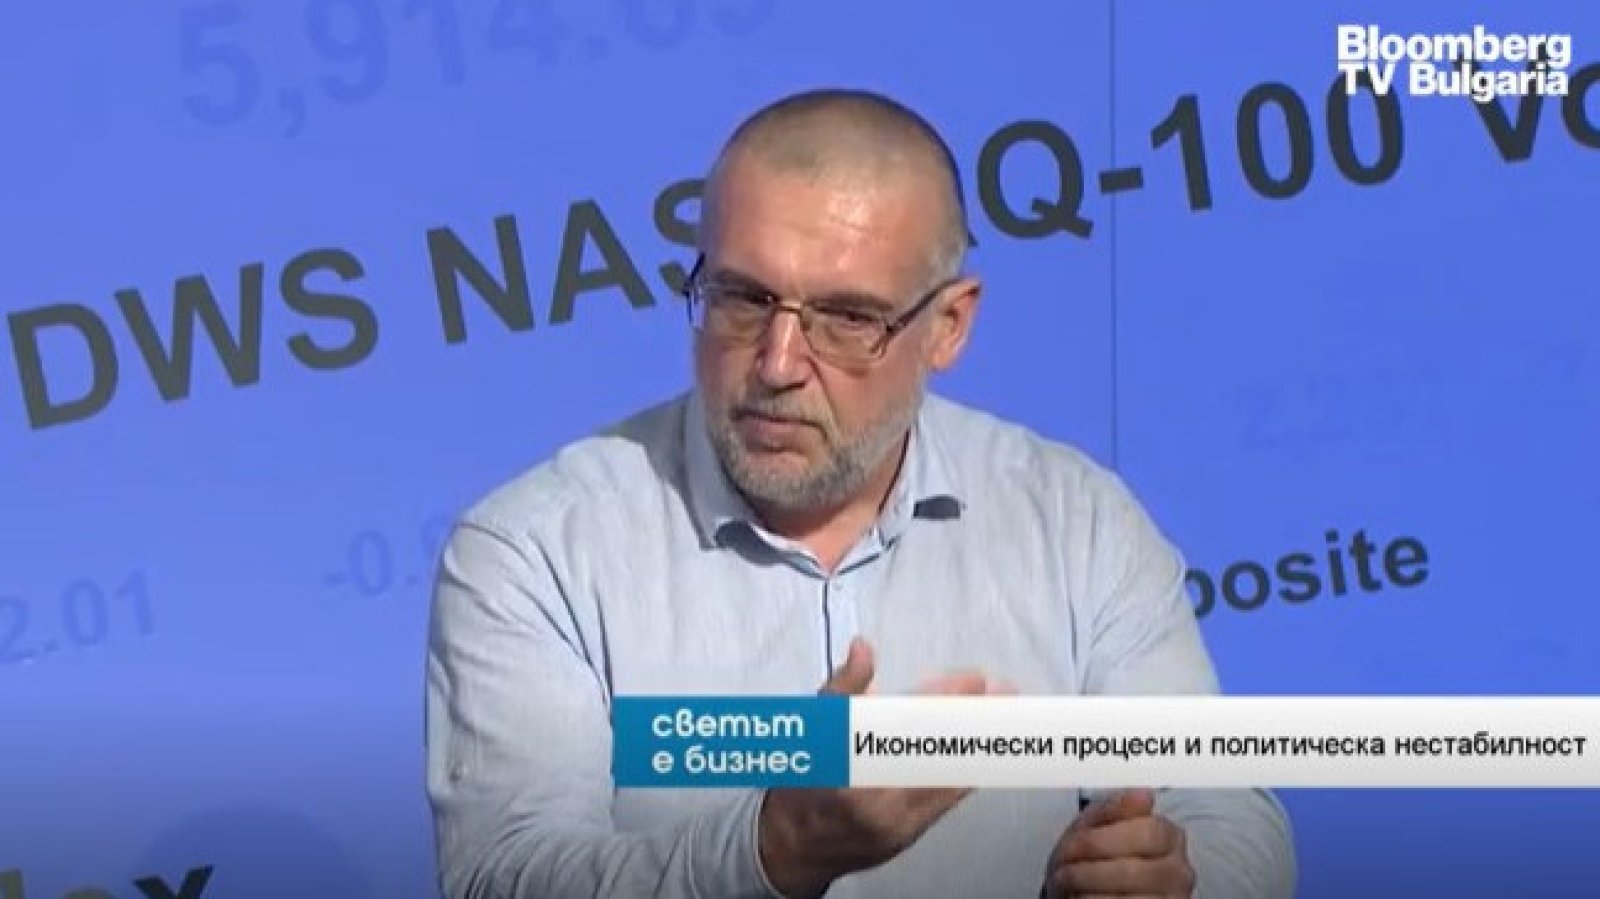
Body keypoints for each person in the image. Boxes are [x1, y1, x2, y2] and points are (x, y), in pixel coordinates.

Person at [424, 87, 1297, 899]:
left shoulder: (1077, 524)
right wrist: (771, 848)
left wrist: (1176, 877)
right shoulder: (535, 549)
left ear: (948, 325)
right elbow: (506, 873)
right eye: (741, 298)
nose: (777, 364)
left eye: (846, 318)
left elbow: (1227, 815)